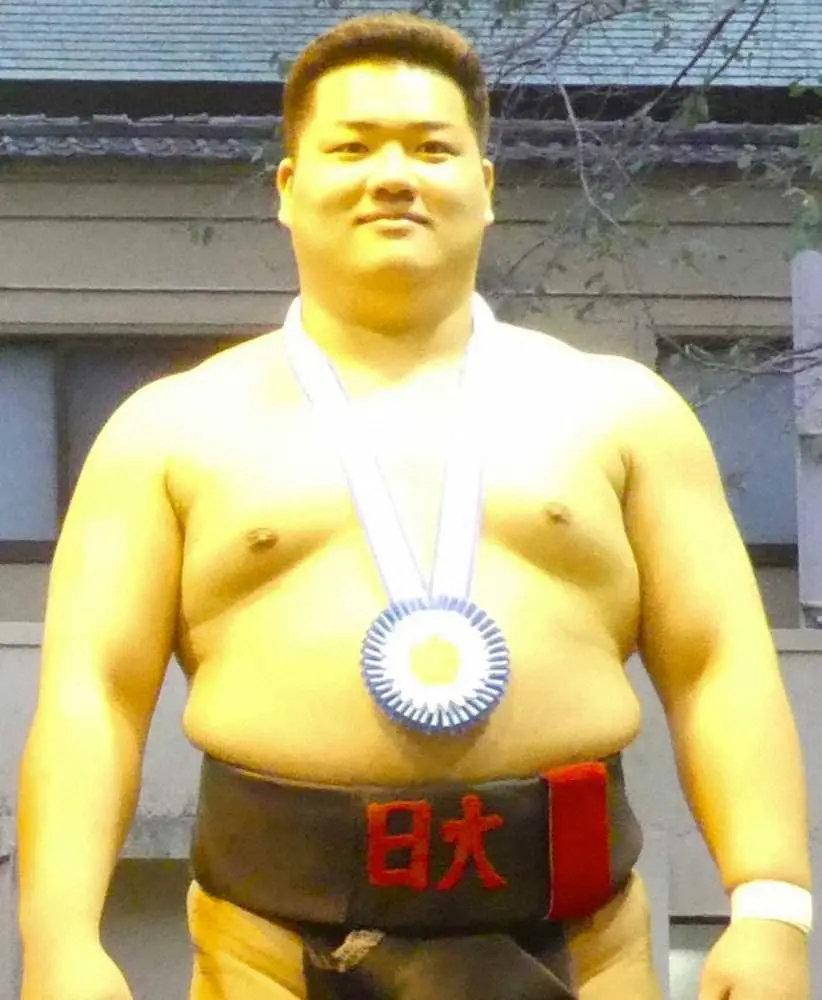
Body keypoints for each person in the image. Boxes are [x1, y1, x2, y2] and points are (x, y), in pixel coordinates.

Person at [17, 10, 812, 1000]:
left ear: (487, 187)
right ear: (288, 188)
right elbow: (93, 694)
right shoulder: (168, 429)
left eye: (432, 149)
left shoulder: (623, 412)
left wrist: (772, 903)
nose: (393, 175)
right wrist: (60, 940)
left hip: (581, 940)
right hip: (267, 946)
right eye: (352, 148)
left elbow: (718, 664)